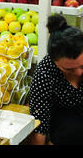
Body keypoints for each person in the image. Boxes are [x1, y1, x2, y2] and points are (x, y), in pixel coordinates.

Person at [28, 14, 83, 145]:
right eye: (69, 70)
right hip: (64, 119)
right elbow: (39, 123)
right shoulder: (45, 74)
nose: (79, 72)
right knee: (71, 130)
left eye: (82, 66)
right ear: (55, 62)